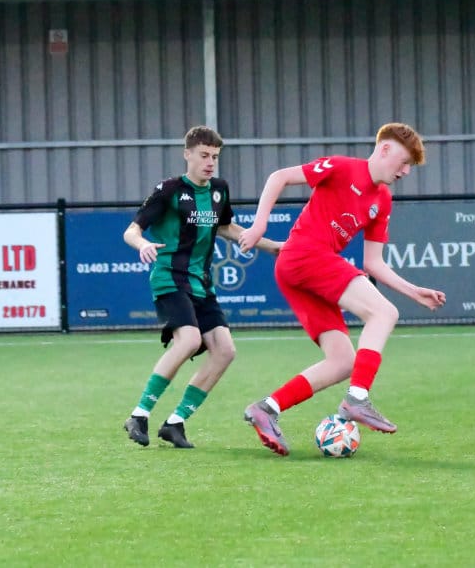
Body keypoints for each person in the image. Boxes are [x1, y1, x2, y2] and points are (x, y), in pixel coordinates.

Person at [236, 122, 446, 456]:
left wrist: (413, 291)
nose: (406, 171)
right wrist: (260, 224)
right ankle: (357, 399)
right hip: (304, 255)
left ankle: (266, 408)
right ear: (385, 149)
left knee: (343, 361)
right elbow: (279, 177)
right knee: (383, 313)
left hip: (300, 269)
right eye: (405, 162)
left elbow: (374, 263)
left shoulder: (383, 200)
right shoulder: (341, 167)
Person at [121, 125, 281, 449]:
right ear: (188, 154)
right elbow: (132, 231)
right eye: (204, 155)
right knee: (190, 340)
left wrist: (274, 246)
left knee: (225, 351)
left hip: (202, 284)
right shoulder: (169, 190)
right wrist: (142, 244)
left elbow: (228, 229)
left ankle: (176, 422)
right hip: (169, 277)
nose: (210, 162)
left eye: (215, 157)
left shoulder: (219, 190)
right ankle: (139, 415)